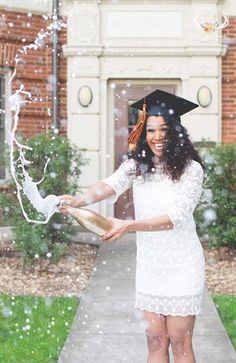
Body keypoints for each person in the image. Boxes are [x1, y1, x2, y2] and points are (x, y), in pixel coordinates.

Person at [60, 89, 205, 363]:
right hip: (151, 265)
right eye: (150, 130)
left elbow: (176, 217)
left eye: (164, 129)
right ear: (143, 132)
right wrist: (79, 200)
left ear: (176, 132)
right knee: (155, 340)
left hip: (182, 264)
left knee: (179, 340)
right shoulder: (137, 167)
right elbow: (109, 184)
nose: (157, 137)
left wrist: (128, 225)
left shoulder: (191, 170)